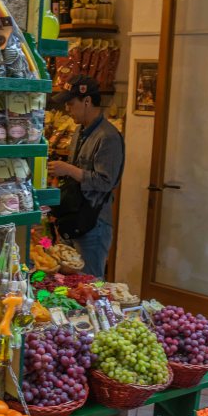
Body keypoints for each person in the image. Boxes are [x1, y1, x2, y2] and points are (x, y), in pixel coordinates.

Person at [48, 75, 125, 278]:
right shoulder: (79, 131)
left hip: (94, 223)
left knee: (89, 283)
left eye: (71, 104)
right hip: (75, 217)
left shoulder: (108, 137)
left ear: (87, 101)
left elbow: (105, 182)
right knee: (68, 283)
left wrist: (69, 169)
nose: (67, 109)